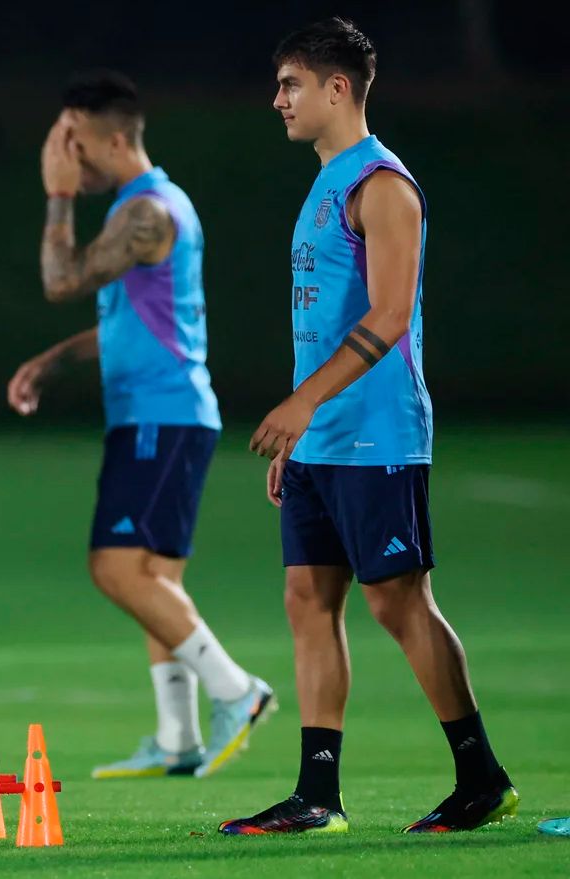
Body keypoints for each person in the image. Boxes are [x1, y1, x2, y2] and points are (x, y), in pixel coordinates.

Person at [220, 18, 517, 834]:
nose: (278, 99)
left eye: (291, 84)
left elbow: (389, 316)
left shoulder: (383, 186)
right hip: (322, 437)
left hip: (379, 433)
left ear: (337, 88)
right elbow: (325, 321)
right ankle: (318, 795)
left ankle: (481, 776)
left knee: (398, 601)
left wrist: (302, 403)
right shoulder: (327, 182)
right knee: (307, 597)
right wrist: (301, 428)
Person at [8, 71, 273, 780]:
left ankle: (237, 691)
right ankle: (178, 736)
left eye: (73, 141)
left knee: (117, 568)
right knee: (157, 581)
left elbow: (61, 281)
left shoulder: (148, 212)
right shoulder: (142, 208)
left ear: (116, 140)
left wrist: (58, 193)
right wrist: (54, 360)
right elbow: (135, 323)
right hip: (161, 414)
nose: (65, 153)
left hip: (163, 416)